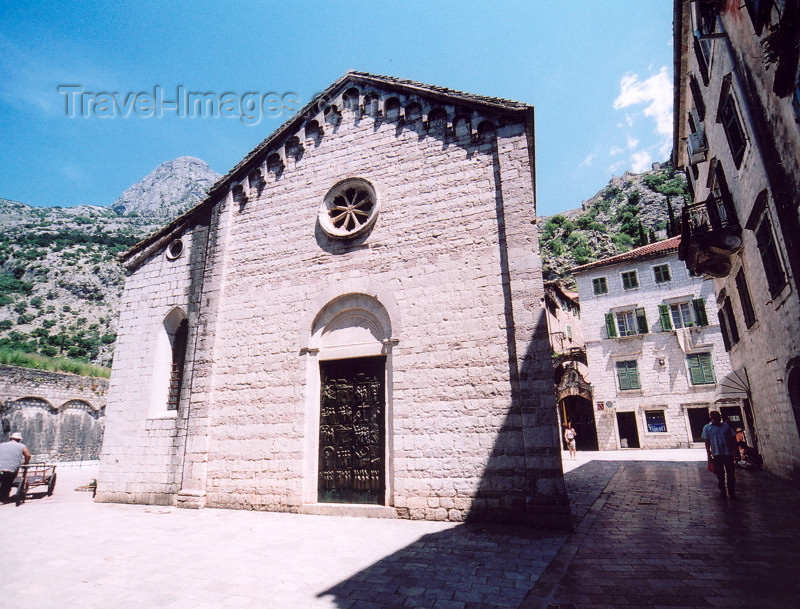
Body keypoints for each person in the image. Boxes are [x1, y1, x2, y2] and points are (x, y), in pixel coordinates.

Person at [701, 411, 738, 499]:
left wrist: (736, 451)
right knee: (720, 474)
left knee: (731, 474)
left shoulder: (726, 426)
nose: (718, 418)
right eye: (716, 417)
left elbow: (733, 439)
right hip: (717, 454)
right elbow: (707, 442)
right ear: (711, 417)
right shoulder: (707, 428)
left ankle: (732, 493)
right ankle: (723, 491)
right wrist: (709, 455)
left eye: (719, 416)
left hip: (728, 453)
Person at [0, 432, 31, 503]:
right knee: (7, 482)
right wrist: (26, 463)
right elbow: (28, 455)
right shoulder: (22, 446)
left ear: (11, 438)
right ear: (19, 440)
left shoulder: (1, 445)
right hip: (10, 470)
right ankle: (4, 498)